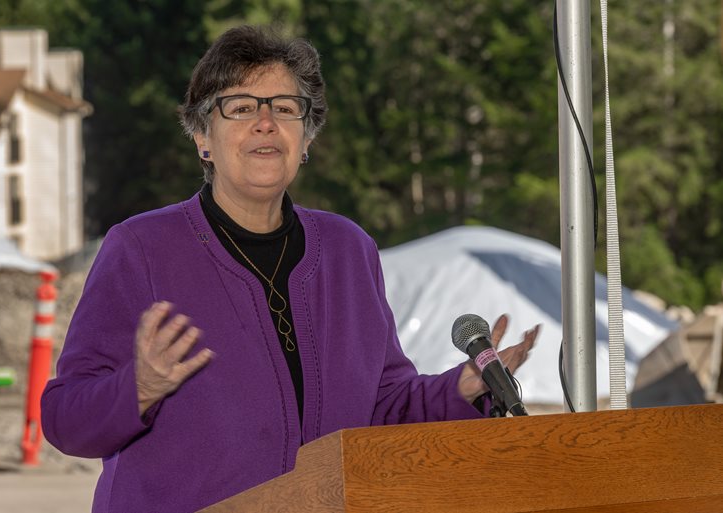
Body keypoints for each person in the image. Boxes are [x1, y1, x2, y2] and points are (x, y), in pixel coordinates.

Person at [41, 25, 538, 513]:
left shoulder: (349, 250)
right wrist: (139, 387)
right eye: (239, 108)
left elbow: (384, 405)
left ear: (306, 139)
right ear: (202, 138)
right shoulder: (141, 248)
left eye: (284, 108)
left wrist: (463, 389)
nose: (265, 122)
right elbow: (65, 419)